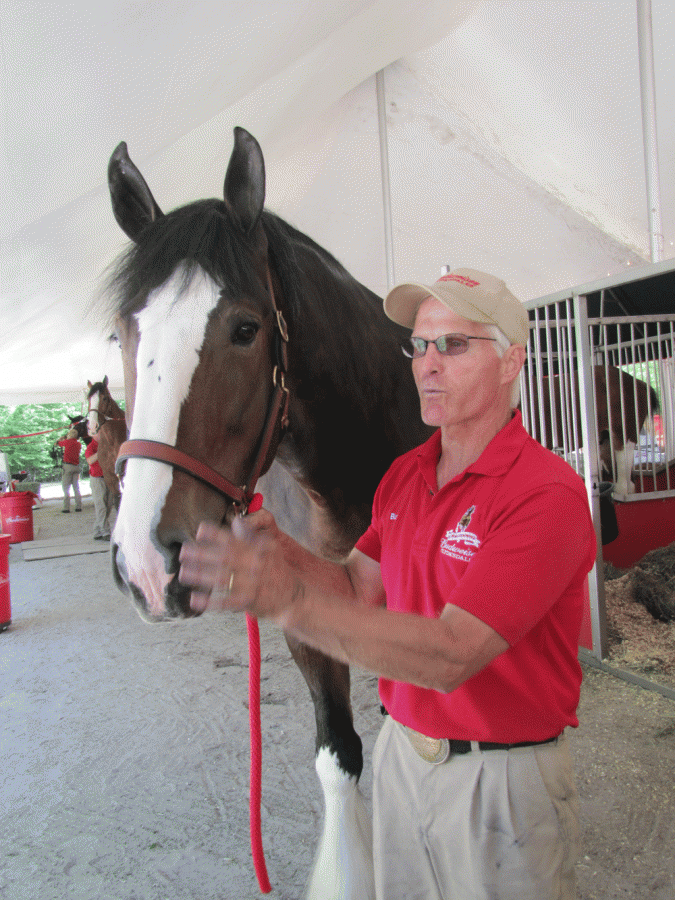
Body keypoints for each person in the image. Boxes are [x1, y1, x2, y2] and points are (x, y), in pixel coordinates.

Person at [178, 267, 597, 900]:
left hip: (502, 782)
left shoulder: (545, 494)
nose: (428, 364)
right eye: (419, 346)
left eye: (454, 345)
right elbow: (353, 586)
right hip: (402, 757)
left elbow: (452, 654)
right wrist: (279, 550)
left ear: (512, 362)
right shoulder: (407, 474)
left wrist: (286, 600)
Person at [85, 421, 112, 540]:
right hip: (97, 478)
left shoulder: (107, 444)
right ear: (93, 435)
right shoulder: (91, 446)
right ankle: (105, 532)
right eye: (99, 433)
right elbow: (90, 460)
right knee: (101, 506)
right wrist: (101, 451)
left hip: (108, 477)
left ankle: (97, 531)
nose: (101, 434)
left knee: (108, 505)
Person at [55, 428, 82, 513]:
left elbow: (57, 444)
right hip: (76, 466)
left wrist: (61, 438)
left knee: (66, 488)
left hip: (68, 466)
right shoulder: (78, 444)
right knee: (76, 487)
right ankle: (78, 506)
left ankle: (66, 507)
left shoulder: (67, 442)